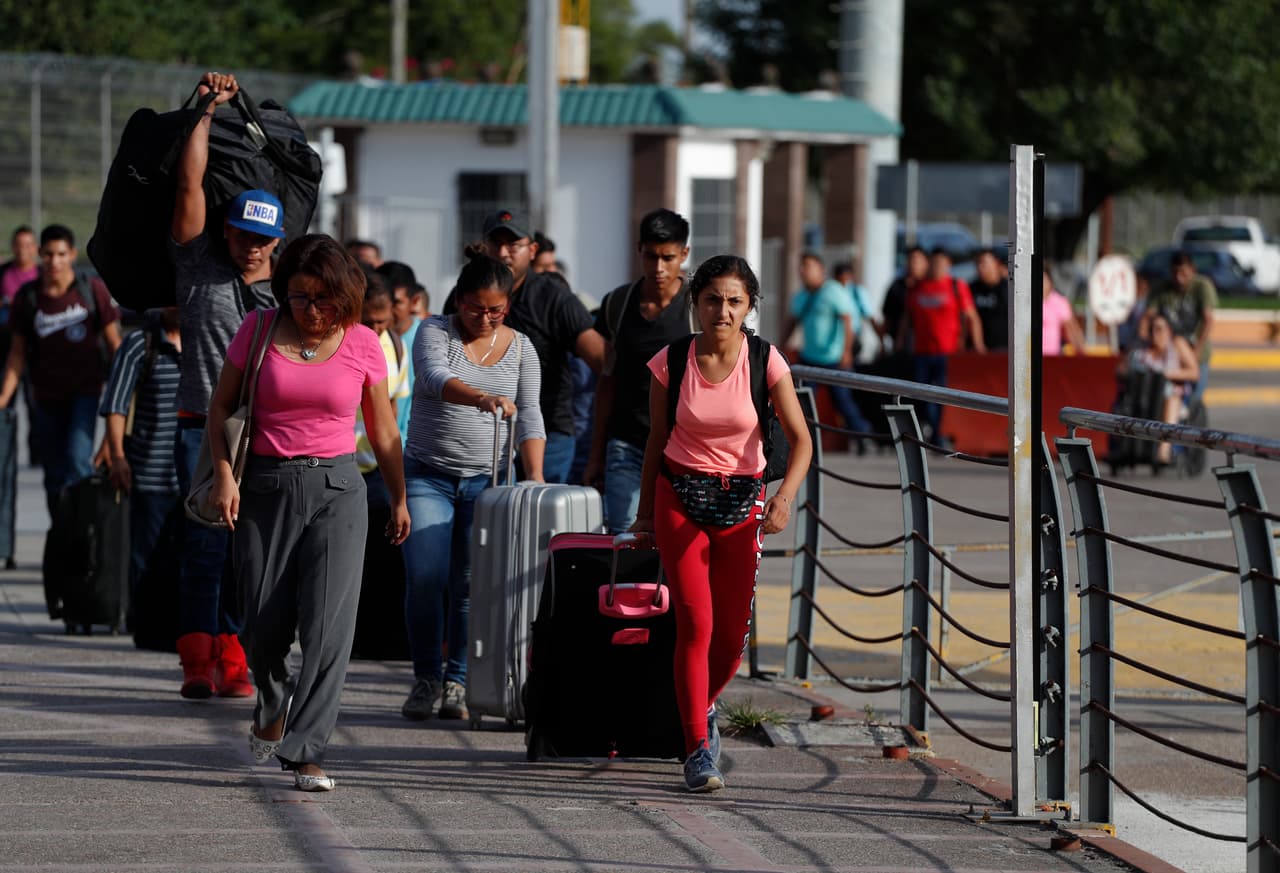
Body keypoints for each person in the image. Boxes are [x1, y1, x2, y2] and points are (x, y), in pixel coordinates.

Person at [207, 234, 409, 793]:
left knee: (327, 629)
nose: (313, 311)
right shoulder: (259, 330)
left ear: (344, 297)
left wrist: (398, 495)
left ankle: (305, 750)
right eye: (300, 297)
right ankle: (272, 702)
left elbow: (384, 429)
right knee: (263, 626)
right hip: (263, 488)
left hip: (339, 488)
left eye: (324, 300)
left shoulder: (364, 342)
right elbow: (221, 406)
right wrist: (225, 475)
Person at [632, 254, 812, 793]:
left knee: (731, 639)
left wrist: (784, 499)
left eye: (735, 301)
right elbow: (656, 441)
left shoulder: (766, 360)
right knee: (695, 623)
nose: (723, 311)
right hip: (679, 497)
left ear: (750, 306)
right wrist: (644, 514)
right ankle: (695, 750)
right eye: (713, 299)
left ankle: (702, 707)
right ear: (696, 303)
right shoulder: (673, 360)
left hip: (743, 504)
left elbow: (802, 441)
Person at [169, 70, 284, 700]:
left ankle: (238, 658)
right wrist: (208, 112)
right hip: (198, 426)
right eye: (242, 235)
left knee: (251, 554)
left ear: (278, 242)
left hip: (264, 433)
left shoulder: (290, 293)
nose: (250, 249)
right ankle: (196, 661)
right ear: (226, 232)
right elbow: (189, 184)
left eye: (263, 240)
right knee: (204, 545)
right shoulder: (198, 269)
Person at [400, 249, 546, 721]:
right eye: (474, 308)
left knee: (469, 584)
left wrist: (536, 478)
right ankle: (426, 675)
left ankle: (457, 681)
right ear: (457, 301)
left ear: (508, 307)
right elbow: (433, 377)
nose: (483, 318)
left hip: (489, 481)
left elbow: (530, 415)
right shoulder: (434, 332)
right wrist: (481, 396)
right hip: (428, 474)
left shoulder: (522, 348)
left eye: (495, 310)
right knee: (426, 575)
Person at [446, 208, 604, 483]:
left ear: (532, 249)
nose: (504, 252)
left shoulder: (555, 298)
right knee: (489, 521)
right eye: (497, 244)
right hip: (483, 433)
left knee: (541, 519)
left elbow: (603, 360)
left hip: (549, 434)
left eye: (514, 244)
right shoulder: (464, 293)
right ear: (484, 247)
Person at [0, 224, 122, 515]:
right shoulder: (28, 298)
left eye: (61, 254)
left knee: (79, 461)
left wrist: (120, 395)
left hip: (86, 393)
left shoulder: (91, 291)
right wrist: (3, 398)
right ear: (40, 255)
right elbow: (16, 355)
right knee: (53, 473)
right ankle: (61, 536)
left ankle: (82, 537)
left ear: (72, 255)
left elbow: (115, 345)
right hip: (45, 398)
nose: (54, 261)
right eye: (49, 255)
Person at [585, 208, 693, 533]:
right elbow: (607, 381)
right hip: (627, 443)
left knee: (675, 539)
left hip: (683, 446)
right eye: (651, 256)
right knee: (624, 534)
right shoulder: (617, 304)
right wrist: (595, 455)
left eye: (668, 258)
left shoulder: (698, 307)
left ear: (684, 255)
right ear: (639, 251)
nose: (658, 268)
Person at [94, 307, 182, 628]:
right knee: (147, 554)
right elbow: (116, 405)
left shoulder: (209, 338)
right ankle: (147, 623)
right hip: (150, 472)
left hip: (200, 475)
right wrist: (117, 456)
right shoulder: (138, 345)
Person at [783, 251, 872, 452]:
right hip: (809, 358)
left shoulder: (833, 291)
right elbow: (792, 322)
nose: (803, 271)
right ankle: (799, 441)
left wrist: (846, 352)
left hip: (834, 358)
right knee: (800, 401)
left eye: (808, 266)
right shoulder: (802, 295)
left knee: (843, 401)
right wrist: (779, 348)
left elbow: (847, 321)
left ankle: (861, 436)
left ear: (821, 270)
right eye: (802, 266)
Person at [898, 247, 986, 442]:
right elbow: (907, 317)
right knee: (923, 395)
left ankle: (939, 433)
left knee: (944, 396)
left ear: (948, 265)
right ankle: (933, 431)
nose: (937, 267)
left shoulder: (956, 286)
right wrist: (900, 341)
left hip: (948, 351)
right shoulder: (917, 287)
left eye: (941, 263)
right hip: (922, 351)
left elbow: (971, 316)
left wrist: (978, 342)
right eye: (934, 262)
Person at [356, 273, 410, 505]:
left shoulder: (397, 346)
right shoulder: (337, 344)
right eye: (368, 322)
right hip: (339, 466)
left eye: (383, 322)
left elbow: (392, 409)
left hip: (378, 469)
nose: (376, 330)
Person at [1120, 310, 1199, 464]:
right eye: (1152, 329)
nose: (1155, 333)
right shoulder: (1142, 350)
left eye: (1160, 328)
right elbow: (1121, 370)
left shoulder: (1177, 345)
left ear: (1169, 330)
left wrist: (1170, 374)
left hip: (1171, 396)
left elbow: (1194, 372)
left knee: (1171, 400)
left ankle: (1164, 450)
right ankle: (1126, 447)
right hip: (1145, 395)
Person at [1144, 250, 1217, 405]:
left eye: (1183, 272)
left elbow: (1208, 319)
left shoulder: (1201, 286)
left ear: (1192, 269)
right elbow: (1148, 317)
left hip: (1195, 351)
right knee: (1167, 397)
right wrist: (1145, 342)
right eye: (1175, 272)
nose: (1179, 278)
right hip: (1171, 353)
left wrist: (1197, 348)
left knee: (1193, 400)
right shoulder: (1163, 289)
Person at [381, 262, 421, 442]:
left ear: (414, 301)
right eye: (383, 300)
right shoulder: (364, 341)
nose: (388, 310)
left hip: (413, 453)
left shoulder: (429, 341)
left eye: (396, 302)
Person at [880, 245, 929, 356]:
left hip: (927, 347)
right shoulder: (897, 286)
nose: (912, 264)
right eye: (910, 260)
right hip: (901, 345)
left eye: (916, 260)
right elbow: (887, 316)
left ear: (926, 263)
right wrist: (882, 343)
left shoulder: (931, 287)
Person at [832, 261, 881, 358]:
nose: (845, 281)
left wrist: (881, 341)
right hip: (833, 345)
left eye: (846, 277)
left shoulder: (857, 292)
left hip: (852, 340)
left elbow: (869, 316)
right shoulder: (831, 293)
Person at [969, 248, 1009, 352]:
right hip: (978, 350)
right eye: (977, 263)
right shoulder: (971, 289)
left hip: (1004, 349)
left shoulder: (1009, 288)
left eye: (984, 263)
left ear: (996, 264)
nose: (980, 267)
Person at [1042, 270, 1086, 355]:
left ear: (1050, 281)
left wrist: (1080, 350)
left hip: (1052, 355)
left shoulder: (1059, 302)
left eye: (1043, 280)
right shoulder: (1028, 303)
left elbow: (1072, 328)